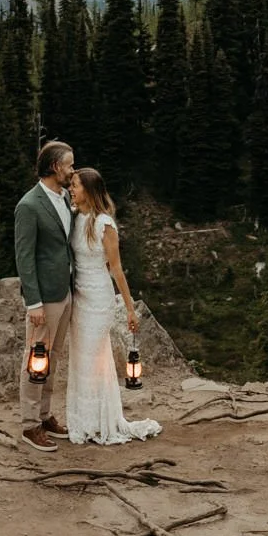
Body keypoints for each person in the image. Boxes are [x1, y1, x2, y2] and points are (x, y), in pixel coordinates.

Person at [62, 167, 162, 446]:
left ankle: (101, 420)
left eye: (76, 185)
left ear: (90, 191)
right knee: (80, 358)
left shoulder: (104, 224)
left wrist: (129, 309)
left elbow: (117, 269)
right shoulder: (75, 216)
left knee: (95, 359)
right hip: (79, 297)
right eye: (71, 185)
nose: (72, 189)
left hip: (98, 298)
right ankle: (82, 420)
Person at [14, 139, 77, 452]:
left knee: (53, 358)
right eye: (69, 165)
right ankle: (30, 425)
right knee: (36, 360)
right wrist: (34, 302)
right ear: (55, 167)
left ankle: (45, 413)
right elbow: (24, 257)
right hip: (45, 299)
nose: (72, 170)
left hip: (65, 293)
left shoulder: (64, 197)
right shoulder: (28, 205)